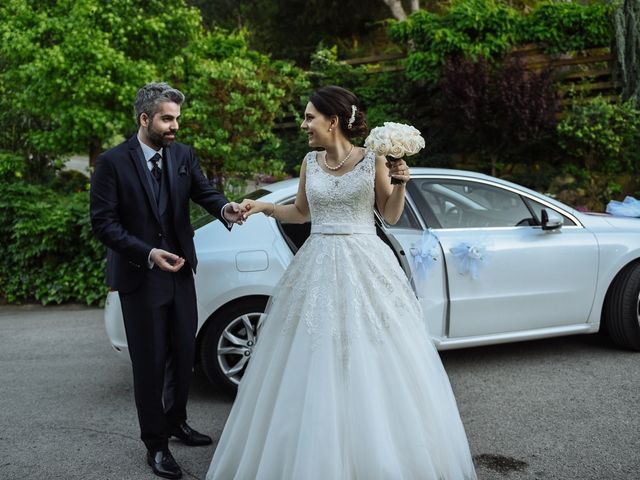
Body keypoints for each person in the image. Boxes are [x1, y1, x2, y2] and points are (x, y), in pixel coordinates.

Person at [205, 85, 477, 479]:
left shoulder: (373, 160)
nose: (303, 125)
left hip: (367, 264)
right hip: (315, 264)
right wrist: (262, 206)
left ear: (332, 121)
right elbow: (300, 213)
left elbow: (391, 214)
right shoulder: (309, 162)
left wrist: (401, 182)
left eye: (309, 117)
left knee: (372, 355)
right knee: (312, 355)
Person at [90, 82, 244, 479]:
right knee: (150, 364)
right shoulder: (112, 162)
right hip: (141, 277)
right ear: (145, 119)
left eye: (177, 118)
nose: (175, 125)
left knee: (182, 352)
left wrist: (226, 208)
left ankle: (176, 422)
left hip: (180, 274)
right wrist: (146, 252)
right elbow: (103, 223)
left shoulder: (183, 156)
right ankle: (155, 445)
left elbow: (205, 193)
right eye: (167, 118)